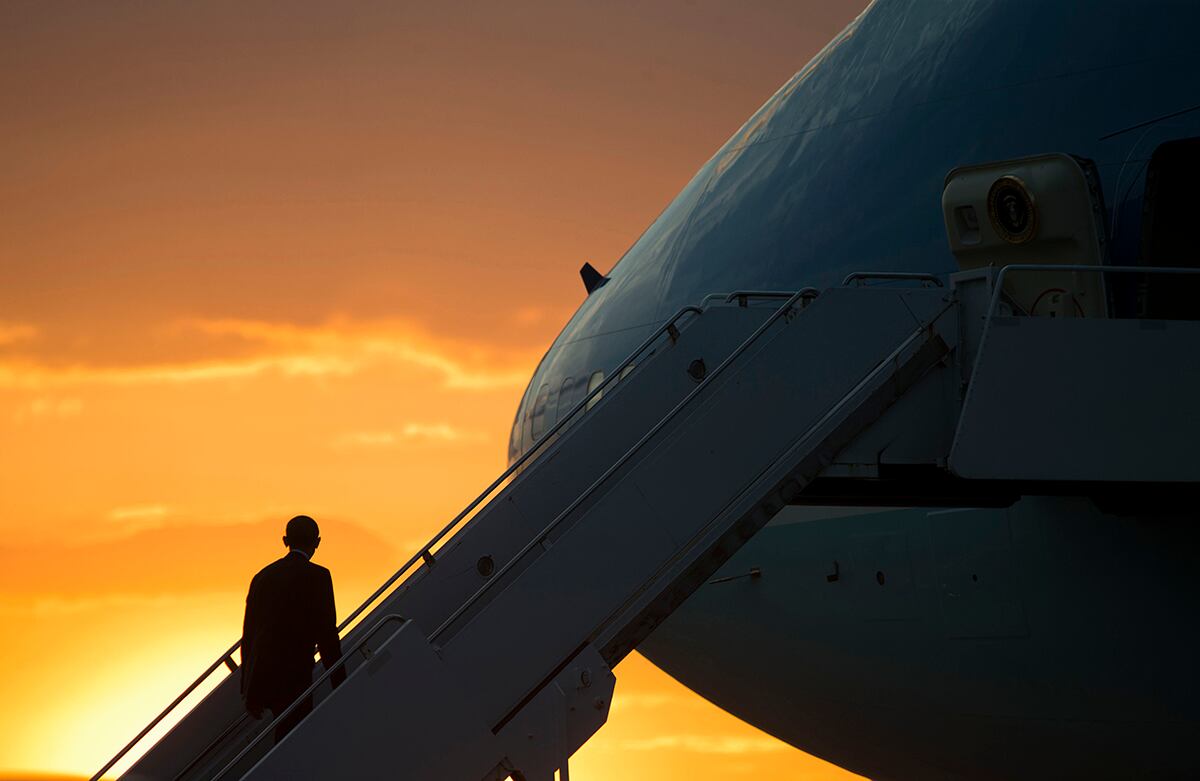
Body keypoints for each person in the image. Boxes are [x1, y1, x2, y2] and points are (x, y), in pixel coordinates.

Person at [241, 515, 346, 742]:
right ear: (317, 542)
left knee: (285, 734)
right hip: (297, 674)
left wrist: (248, 689)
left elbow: (249, 635)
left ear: (285, 540)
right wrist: (339, 679)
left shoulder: (262, 577)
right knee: (296, 737)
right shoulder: (319, 576)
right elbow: (327, 633)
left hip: (265, 674)